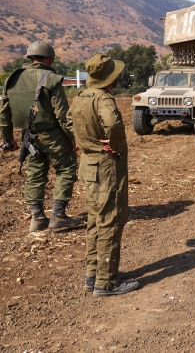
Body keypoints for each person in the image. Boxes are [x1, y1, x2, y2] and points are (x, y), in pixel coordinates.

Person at [68, 53, 139, 296]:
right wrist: (114, 144)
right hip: (107, 165)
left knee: (95, 220)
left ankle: (93, 274)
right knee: (110, 219)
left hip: (88, 165)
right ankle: (107, 282)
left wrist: (82, 140)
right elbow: (113, 124)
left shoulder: (80, 97)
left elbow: (68, 121)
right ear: (112, 77)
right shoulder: (103, 99)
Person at [0, 41, 80, 232]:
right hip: (52, 134)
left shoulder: (13, 79)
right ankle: (58, 216)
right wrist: (74, 138)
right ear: (48, 59)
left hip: (28, 136)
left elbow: (4, 114)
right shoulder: (51, 79)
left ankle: (37, 218)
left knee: (35, 174)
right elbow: (62, 115)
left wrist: (7, 139)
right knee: (67, 168)